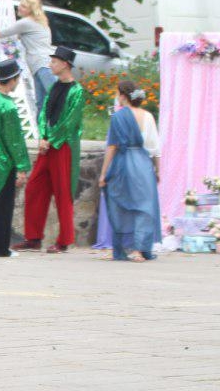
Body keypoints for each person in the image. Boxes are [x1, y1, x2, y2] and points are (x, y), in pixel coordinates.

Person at [14, 45, 85, 253]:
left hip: (64, 147)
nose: (50, 65)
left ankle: (64, 240)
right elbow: (44, 112)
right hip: (48, 146)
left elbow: (69, 122)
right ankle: (33, 237)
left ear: (65, 64)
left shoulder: (77, 91)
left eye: (54, 61)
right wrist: (43, 136)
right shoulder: (54, 87)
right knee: (34, 187)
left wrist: (51, 140)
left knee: (63, 191)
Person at [99, 80, 161, 261]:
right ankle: (139, 250)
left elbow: (112, 146)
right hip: (142, 162)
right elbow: (155, 147)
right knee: (144, 206)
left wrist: (103, 173)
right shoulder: (148, 116)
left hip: (122, 163)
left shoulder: (118, 117)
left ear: (123, 96)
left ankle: (121, 247)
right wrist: (157, 170)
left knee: (120, 204)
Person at [0, 59, 31, 257]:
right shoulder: (8, 106)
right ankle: (0, 248)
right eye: (17, 78)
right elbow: (14, 139)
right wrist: (22, 166)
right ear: (12, 80)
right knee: (4, 205)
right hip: (5, 162)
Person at [0, 0, 53, 107]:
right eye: (20, 5)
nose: (19, 8)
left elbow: (2, 33)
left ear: (31, 10)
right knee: (43, 101)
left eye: (23, 6)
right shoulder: (39, 21)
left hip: (41, 63)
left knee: (53, 97)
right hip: (43, 63)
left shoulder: (25, 22)